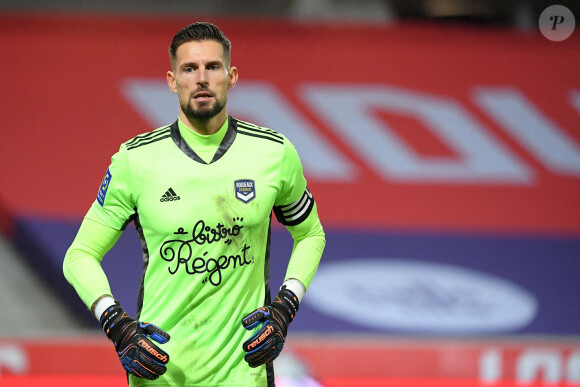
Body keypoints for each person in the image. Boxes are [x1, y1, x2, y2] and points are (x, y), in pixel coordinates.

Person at [62, 22, 325, 387]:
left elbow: (311, 234)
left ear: (231, 76)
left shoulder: (274, 153)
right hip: (159, 373)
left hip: (244, 374)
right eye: (189, 69)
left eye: (212, 67)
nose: (201, 78)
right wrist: (117, 325)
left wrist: (285, 307)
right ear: (172, 80)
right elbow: (80, 255)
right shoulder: (135, 161)